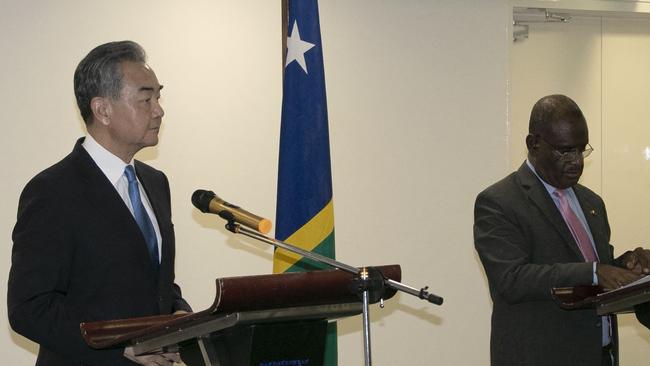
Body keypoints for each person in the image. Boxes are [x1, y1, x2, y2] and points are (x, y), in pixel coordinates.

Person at [8, 41, 191, 366]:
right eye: (146, 99)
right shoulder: (52, 192)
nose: (159, 110)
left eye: (159, 97)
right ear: (102, 109)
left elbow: (155, 283)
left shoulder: (155, 183)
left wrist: (180, 317)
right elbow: (29, 308)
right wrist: (119, 347)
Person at [474, 94, 650, 366]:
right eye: (566, 151)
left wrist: (627, 265)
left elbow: (596, 270)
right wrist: (594, 272)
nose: (577, 161)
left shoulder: (592, 203)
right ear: (533, 144)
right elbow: (511, 279)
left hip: (600, 356)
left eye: (582, 149)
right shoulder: (499, 202)